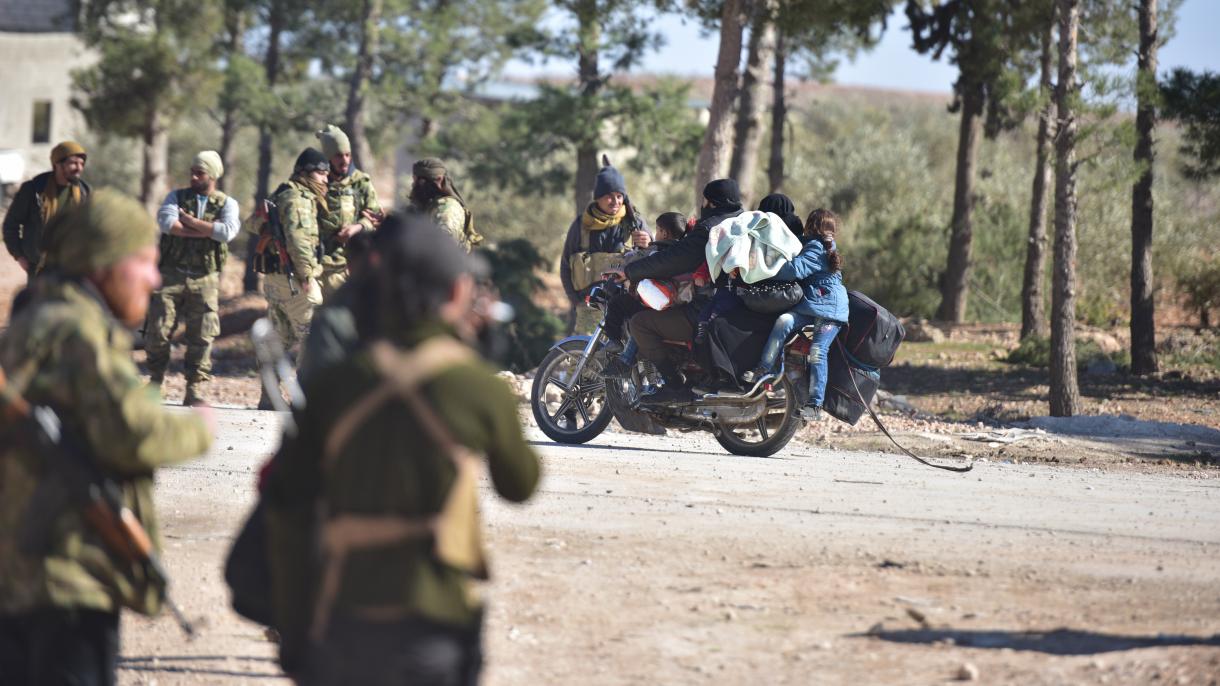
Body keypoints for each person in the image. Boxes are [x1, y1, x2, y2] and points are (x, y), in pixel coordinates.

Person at [262, 212, 541, 685]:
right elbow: (520, 483)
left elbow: (287, 503)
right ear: (457, 293)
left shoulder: (336, 384)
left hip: (342, 615)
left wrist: (292, 628)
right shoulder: (476, 387)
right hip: (434, 623)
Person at [0, 190, 214, 686]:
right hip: (69, 580)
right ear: (102, 265)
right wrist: (199, 428)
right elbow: (130, 433)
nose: (154, 278)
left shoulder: (33, 323)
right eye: (143, 262)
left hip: (19, 578)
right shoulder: (77, 332)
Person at [615, 179, 744, 403]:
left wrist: (630, 271)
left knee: (640, 323)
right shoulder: (743, 222)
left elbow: (675, 259)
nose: (703, 205)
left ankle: (675, 385)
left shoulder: (710, 227)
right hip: (738, 307)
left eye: (705, 200)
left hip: (706, 309)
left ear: (712, 202)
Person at [145, 151, 241, 406]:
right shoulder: (176, 196)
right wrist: (204, 230)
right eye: (193, 171)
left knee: (202, 336)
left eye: (200, 172)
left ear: (213, 175)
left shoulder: (227, 203)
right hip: (171, 275)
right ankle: (155, 382)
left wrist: (189, 222)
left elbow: (227, 232)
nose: (194, 176)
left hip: (206, 278)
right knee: (158, 330)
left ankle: (195, 388)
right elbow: (167, 223)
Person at [741, 208, 848, 420]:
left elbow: (794, 270)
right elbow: (797, 242)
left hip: (830, 311)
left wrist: (762, 271)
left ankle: (815, 405)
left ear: (811, 226)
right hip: (813, 306)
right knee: (784, 321)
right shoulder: (817, 245)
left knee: (818, 351)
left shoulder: (816, 249)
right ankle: (763, 368)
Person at [560, 160, 649, 334]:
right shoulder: (580, 226)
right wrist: (575, 301)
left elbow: (654, 257)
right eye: (609, 196)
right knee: (583, 356)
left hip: (624, 304)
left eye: (619, 195)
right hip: (588, 306)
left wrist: (647, 243)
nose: (615, 201)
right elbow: (565, 266)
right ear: (598, 197)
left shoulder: (635, 223)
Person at [601, 211, 687, 355]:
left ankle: (614, 341)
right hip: (675, 308)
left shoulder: (655, 250)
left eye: (658, 230)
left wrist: (616, 268)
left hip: (653, 305)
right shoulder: (683, 252)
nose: (656, 234)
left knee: (617, 303)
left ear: (664, 233)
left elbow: (632, 262)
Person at [3, 141, 91, 280]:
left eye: (81, 164)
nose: (78, 168)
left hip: (71, 268)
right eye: (73, 163)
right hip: (39, 270)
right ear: (57, 164)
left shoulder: (85, 193)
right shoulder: (33, 190)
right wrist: (19, 256)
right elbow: (10, 225)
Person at [316, 124, 382, 300]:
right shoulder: (315, 182)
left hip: (351, 264)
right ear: (328, 157)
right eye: (338, 155)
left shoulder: (361, 182)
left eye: (347, 155)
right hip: (320, 265)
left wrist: (358, 227)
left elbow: (376, 216)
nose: (344, 160)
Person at [408, 158, 481, 253]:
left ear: (439, 179)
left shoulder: (447, 210)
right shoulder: (432, 207)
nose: (414, 185)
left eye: (418, 181)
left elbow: (442, 249)